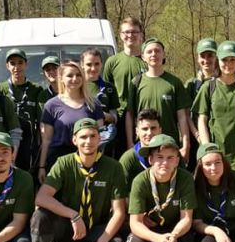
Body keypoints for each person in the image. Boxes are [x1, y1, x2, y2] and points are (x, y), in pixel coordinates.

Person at [30, 118, 129, 242]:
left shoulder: (113, 167)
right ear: (74, 140)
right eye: (83, 137)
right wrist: (73, 215)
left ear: (100, 138)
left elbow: (119, 212)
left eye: (93, 136)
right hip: (69, 228)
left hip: (95, 229)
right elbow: (41, 198)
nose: (88, 141)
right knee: (40, 216)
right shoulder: (64, 163)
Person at [124, 134, 197, 242]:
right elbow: (135, 223)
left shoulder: (185, 179)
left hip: (175, 228)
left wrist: (173, 236)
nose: (165, 162)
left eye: (170, 158)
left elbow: (186, 218)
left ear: (177, 160)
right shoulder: (140, 181)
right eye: (159, 157)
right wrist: (157, 239)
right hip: (151, 228)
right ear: (150, 160)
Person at [194, 40, 235, 172]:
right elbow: (202, 121)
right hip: (215, 157)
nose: (228, 64)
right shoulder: (208, 88)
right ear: (218, 61)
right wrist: (207, 150)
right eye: (224, 60)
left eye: (232, 60)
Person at [125, 38, 192, 161]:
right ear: (143, 57)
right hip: (144, 146)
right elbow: (130, 114)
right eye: (149, 52)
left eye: (157, 51)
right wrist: (130, 142)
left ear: (164, 54)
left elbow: (182, 116)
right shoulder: (136, 83)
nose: (153, 54)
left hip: (169, 146)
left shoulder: (174, 82)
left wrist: (186, 145)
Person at [38, 61, 105, 183]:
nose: (75, 79)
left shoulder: (93, 104)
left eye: (78, 75)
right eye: (70, 75)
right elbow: (46, 140)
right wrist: (42, 167)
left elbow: (100, 138)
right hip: (57, 161)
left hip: (86, 160)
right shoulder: (51, 105)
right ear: (61, 78)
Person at [103, 17, 146, 155]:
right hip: (119, 119)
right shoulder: (112, 62)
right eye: (126, 32)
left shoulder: (148, 61)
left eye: (134, 32)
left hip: (144, 117)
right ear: (121, 35)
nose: (130, 35)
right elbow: (105, 92)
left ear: (141, 34)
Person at [0, 48, 43, 175]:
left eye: (20, 62)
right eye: (12, 63)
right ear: (7, 66)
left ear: (26, 64)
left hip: (29, 143)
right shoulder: (0, 88)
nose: (16, 67)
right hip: (6, 141)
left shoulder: (36, 89)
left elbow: (40, 122)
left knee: (26, 176)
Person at [185, 38, 219, 169]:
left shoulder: (222, 82)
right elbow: (187, 114)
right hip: (196, 141)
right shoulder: (191, 84)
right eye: (202, 56)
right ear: (198, 58)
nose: (206, 60)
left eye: (210, 55)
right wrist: (197, 135)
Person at [81, 48, 120, 153]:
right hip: (81, 138)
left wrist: (103, 115)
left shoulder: (109, 88)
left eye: (97, 64)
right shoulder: (77, 86)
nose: (93, 68)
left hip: (102, 140)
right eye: (89, 64)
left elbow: (114, 118)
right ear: (82, 65)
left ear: (101, 65)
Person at [119, 108, 162, 184]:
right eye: (145, 129)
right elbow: (120, 192)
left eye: (153, 128)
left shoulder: (171, 154)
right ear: (137, 131)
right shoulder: (128, 159)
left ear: (160, 130)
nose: (149, 133)